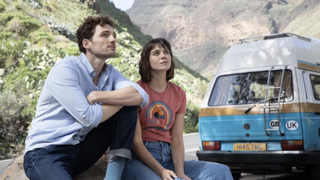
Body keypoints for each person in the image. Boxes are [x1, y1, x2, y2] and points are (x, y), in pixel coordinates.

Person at [23, 15, 149, 180]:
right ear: (86, 43)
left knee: (129, 109)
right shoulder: (66, 68)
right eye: (105, 35)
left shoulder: (110, 73)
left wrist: (98, 96)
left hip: (80, 150)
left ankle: (113, 177)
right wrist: (122, 101)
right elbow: (87, 117)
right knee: (126, 103)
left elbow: (142, 96)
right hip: (45, 153)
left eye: (114, 35)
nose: (112, 39)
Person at [120, 38, 233, 180]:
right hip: (139, 160)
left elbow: (177, 140)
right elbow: (136, 142)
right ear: (146, 61)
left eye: (166, 52)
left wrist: (180, 173)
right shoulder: (136, 91)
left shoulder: (178, 93)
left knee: (220, 171)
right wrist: (162, 171)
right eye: (156, 53)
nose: (163, 55)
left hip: (168, 158)